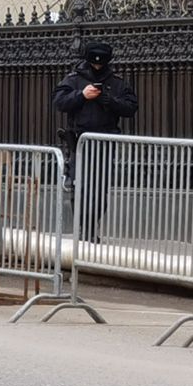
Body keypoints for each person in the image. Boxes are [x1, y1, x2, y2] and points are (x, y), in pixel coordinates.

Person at [52, 41, 139, 244]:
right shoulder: (74, 79)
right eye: (94, 63)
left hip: (104, 142)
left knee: (99, 188)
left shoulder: (116, 82)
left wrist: (110, 101)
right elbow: (59, 101)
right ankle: (82, 227)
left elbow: (131, 107)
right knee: (79, 186)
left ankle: (92, 227)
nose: (98, 66)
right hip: (80, 143)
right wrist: (81, 95)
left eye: (101, 63)